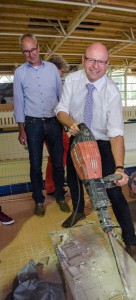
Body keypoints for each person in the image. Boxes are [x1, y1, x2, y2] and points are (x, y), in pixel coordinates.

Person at [55, 42, 136, 258]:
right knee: (73, 180)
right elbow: (61, 110)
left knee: (113, 190)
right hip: (77, 137)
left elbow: (116, 132)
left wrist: (120, 168)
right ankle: (78, 211)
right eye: (91, 59)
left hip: (101, 143)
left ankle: (130, 239)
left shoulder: (111, 91)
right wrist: (70, 122)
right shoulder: (72, 80)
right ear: (83, 60)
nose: (95, 66)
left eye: (101, 61)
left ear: (107, 64)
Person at [13, 33, 70, 217]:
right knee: (35, 164)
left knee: (58, 163)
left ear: (39, 48)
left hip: (54, 122)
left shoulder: (53, 69)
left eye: (33, 49)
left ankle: (60, 196)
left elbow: (61, 96)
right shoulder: (19, 73)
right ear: (23, 52)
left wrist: (65, 121)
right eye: (26, 51)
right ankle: (38, 200)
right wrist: (22, 130)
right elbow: (19, 102)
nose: (31, 54)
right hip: (33, 124)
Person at [45, 56, 69, 196]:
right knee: (59, 153)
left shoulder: (52, 83)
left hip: (53, 123)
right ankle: (53, 185)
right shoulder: (51, 84)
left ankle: (53, 183)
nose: (63, 75)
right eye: (62, 71)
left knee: (55, 156)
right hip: (52, 123)